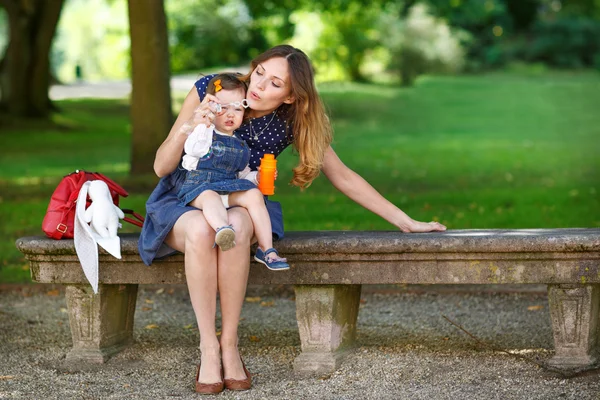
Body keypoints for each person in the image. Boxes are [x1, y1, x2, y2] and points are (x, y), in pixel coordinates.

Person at [138, 44, 446, 394]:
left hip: (240, 204)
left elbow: (342, 176)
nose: (258, 86)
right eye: (259, 74)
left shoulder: (290, 121)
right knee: (199, 227)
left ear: (289, 96)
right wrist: (190, 125)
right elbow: (162, 166)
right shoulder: (216, 89)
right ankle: (208, 348)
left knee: (236, 226)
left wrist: (405, 221)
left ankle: (230, 344)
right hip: (183, 201)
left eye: (274, 83)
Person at [177, 73, 289, 271]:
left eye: (237, 109)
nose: (230, 114)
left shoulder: (240, 144)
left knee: (254, 194)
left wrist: (257, 177)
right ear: (212, 108)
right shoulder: (204, 133)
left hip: (227, 188)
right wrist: (202, 124)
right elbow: (193, 150)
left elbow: (241, 174)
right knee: (210, 196)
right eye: (222, 108)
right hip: (199, 188)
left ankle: (267, 250)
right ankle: (223, 229)